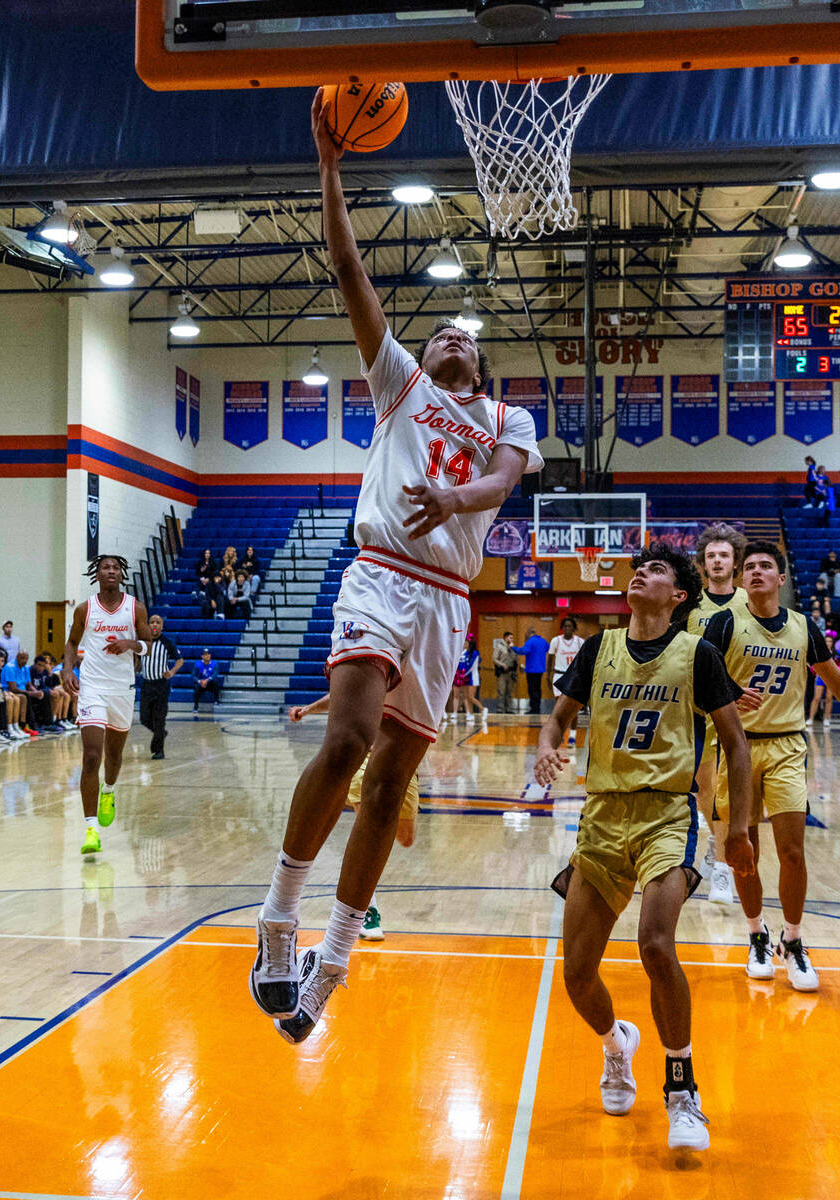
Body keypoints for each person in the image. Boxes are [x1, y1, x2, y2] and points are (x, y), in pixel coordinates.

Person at [249, 88, 543, 1047]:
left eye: (466, 337)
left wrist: (455, 502)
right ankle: (278, 921)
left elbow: (500, 482)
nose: (449, 337)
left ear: (484, 367)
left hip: (451, 602)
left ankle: (337, 953)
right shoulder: (400, 384)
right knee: (347, 741)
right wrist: (332, 170)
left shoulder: (510, 421)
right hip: (381, 572)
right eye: (441, 332)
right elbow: (348, 268)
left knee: (390, 783)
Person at [535, 543, 753, 1151]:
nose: (641, 574)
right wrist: (548, 743)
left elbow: (735, 743)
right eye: (639, 568)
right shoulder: (598, 647)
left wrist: (735, 825)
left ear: (678, 595)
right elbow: (558, 717)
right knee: (576, 973)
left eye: (655, 570)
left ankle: (682, 1090)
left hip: (666, 816)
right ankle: (616, 1046)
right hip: (601, 818)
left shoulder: (698, 655)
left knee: (655, 944)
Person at [703, 541, 840, 990]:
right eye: (750, 568)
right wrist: (725, 692)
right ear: (741, 580)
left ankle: (793, 940)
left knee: (792, 852)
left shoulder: (804, 626)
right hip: (735, 748)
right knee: (745, 854)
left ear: (781, 579)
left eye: (767, 567)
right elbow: (695, 679)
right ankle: (756, 933)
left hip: (786, 746)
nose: (757, 572)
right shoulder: (724, 623)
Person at [289, 694, 423, 940]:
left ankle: (357, 891)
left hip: (403, 760)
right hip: (367, 758)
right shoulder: (382, 663)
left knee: (405, 837)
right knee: (369, 833)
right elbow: (343, 692)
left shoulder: (422, 670)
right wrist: (309, 709)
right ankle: (365, 911)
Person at [62, 555, 151, 857]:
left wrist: (132, 644)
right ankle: (90, 829)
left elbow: (149, 642)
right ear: (97, 574)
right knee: (91, 756)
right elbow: (72, 643)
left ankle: (109, 791)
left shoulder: (134, 607)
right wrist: (66, 670)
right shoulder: (85, 609)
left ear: (122, 575)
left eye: (115, 568)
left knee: (114, 755)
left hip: (121, 689)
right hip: (92, 688)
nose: (111, 571)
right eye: (105, 567)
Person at [686, 522, 747, 903]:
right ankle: (715, 841)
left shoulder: (749, 603)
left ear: (735, 562)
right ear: (703, 564)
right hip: (695, 709)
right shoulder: (690, 606)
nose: (718, 561)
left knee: (728, 793)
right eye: (712, 556)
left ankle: (723, 868)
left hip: (740, 711)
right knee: (704, 790)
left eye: (725, 555)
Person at [139, 613, 183, 759]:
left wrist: (172, 672)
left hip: (161, 685)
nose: (155, 625)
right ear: (148, 625)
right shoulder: (143, 643)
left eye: (158, 622)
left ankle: (159, 750)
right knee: (144, 718)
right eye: (152, 622)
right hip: (146, 684)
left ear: (162, 626)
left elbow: (179, 660)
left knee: (159, 718)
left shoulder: (167, 643)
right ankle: (161, 733)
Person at [547, 616, 585, 704]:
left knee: (571, 703)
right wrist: (548, 676)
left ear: (574, 628)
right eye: (565, 626)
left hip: (573, 676)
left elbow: (584, 661)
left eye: (569, 626)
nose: (567, 628)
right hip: (559, 674)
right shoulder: (555, 640)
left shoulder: (580, 641)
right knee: (559, 702)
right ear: (562, 628)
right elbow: (550, 659)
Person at [0, 649, 37, 736]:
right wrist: (30, 693)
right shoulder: (10, 667)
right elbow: (13, 688)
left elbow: (29, 684)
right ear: (17, 657)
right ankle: (22, 725)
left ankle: (49, 723)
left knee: (44, 694)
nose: (24, 660)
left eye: (26, 659)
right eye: (22, 658)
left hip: (22, 691)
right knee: (24, 697)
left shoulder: (25, 668)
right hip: (9, 691)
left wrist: (36, 692)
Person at [513, 627, 549, 715]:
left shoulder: (530, 641)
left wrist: (512, 647)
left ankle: (534, 709)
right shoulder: (543, 641)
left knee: (532, 690)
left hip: (532, 670)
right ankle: (537, 708)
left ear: (528, 634)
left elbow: (523, 651)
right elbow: (548, 649)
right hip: (540, 669)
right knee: (538, 689)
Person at [806, 632, 838, 728]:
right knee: (817, 698)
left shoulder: (835, 654)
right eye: (827, 641)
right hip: (820, 677)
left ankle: (827, 719)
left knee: (829, 698)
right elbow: (811, 662)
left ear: (832, 642)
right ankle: (811, 718)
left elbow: (839, 665)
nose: (828, 643)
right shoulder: (819, 652)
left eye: (830, 641)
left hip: (831, 677)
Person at [493, 633, 519, 714]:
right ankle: (500, 709)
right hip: (502, 672)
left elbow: (515, 659)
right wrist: (502, 665)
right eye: (510, 637)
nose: (512, 639)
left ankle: (509, 709)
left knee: (509, 692)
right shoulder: (499, 647)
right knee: (501, 691)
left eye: (512, 638)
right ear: (505, 638)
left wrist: (513, 650)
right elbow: (494, 659)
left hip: (511, 673)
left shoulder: (512, 648)